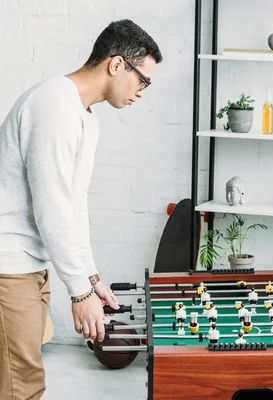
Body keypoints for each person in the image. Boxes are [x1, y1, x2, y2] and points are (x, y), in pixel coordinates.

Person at [0, 19, 162, 399]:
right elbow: (51, 205)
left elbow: (74, 204)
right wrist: (78, 294)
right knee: (22, 385)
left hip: (30, 264)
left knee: (14, 378)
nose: (143, 92)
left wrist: (89, 278)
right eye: (143, 80)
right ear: (117, 64)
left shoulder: (85, 116)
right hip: (9, 264)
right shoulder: (54, 105)